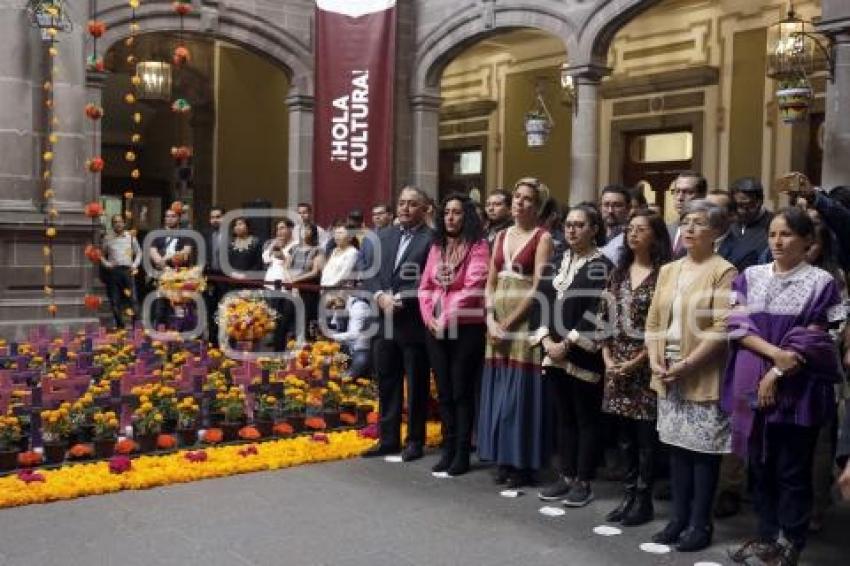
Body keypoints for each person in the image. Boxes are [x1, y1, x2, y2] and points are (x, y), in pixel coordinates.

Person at [725, 208, 844, 566]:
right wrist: (775, 354)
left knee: (792, 470)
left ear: (808, 241)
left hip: (800, 388)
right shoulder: (751, 276)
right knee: (760, 466)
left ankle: (791, 540)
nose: (777, 241)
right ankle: (765, 537)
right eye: (773, 234)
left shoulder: (822, 282)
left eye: (788, 234)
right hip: (754, 381)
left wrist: (775, 373)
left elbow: (820, 340)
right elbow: (736, 326)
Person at [646, 199, 736, 552]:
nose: (689, 229)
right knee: (676, 451)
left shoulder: (723, 270)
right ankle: (678, 519)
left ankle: (701, 523)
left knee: (703, 454)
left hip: (701, 371)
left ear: (716, 231)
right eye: (685, 222)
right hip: (665, 370)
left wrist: (686, 365)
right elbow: (653, 321)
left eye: (699, 223)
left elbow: (721, 326)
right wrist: (655, 360)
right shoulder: (669, 269)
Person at [534, 204, 612, 507]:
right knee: (563, 417)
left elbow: (599, 310)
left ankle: (584, 480)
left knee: (585, 418)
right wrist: (546, 340)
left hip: (581, 353)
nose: (571, 230)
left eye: (579, 225)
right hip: (552, 350)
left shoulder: (603, 265)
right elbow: (541, 300)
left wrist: (567, 342)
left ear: (594, 229)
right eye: (568, 224)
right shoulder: (555, 261)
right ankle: (565, 475)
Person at [478, 178, 553, 488]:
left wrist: (509, 323)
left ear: (537, 206)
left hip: (523, 322)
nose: (519, 203)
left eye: (527, 199)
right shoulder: (500, 236)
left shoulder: (543, 237)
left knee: (520, 392)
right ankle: (502, 456)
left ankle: (523, 462)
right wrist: (491, 318)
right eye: (517, 197)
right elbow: (490, 283)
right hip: (497, 321)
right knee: (499, 388)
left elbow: (538, 287)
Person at [599, 209, 671, 526]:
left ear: (655, 235)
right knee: (623, 436)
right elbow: (603, 320)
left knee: (645, 439)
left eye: (640, 229)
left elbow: (663, 327)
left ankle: (643, 499)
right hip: (616, 360)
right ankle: (627, 495)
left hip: (646, 360)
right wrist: (608, 360)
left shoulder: (664, 274)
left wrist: (635, 361)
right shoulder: (618, 272)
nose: (633, 234)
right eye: (630, 229)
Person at [362, 186, 435, 461]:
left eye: (412, 204)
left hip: (412, 321)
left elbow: (431, 278)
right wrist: (380, 296)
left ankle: (415, 440)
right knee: (387, 381)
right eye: (402, 203)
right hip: (384, 320)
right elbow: (370, 272)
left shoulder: (432, 240)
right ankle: (388, 438)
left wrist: (403, 297)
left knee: (416, 384)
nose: (405, 208)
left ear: (424, 209)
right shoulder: (384, 235)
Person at [419, 193, 489, 476]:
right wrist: (430, 319)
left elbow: (473, 288)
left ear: (467, 216)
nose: (450, 217)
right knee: (444, 393)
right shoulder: (437, 246)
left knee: (461, 392)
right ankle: (447, 449)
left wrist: (445, 318)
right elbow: (425, 286)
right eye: (447, 212)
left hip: (465, 328)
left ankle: (462, 452)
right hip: (435, 327)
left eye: (457, 212)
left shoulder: (479, 245)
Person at [150, 206, 194, 329]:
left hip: (179, 278)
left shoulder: (185, 235)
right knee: (160, 309)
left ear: (179, 218)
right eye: (167, 216)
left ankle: (179, 336)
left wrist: (168, 259)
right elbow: (153, 252)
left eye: (173, 216)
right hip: (163, 276)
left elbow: (185, 252)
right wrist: (165, 267)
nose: (169, 219)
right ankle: (159, 337)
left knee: (178, 309)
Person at [100, 214, 142, 328]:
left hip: (128, 271)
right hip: (114, 272)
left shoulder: (131, 237)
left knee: (133, 300)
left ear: (124, 223)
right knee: (115, 300)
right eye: (115, 222)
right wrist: (107, 264)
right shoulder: (107, 238)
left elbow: (138, 252)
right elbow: (101, 255)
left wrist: (135, 265)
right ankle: (120, 325)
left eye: (120, 221)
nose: (118, 224)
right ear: (112, 224)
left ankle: (136, 327)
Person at [263, 219, 297, 347]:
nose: (279, 231)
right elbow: (266, 259)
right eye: (277, 229)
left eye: (282, 228)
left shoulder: (295, 245)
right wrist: (273, 245)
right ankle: (272, 352)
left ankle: (280, 352)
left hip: (285, 288)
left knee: (282, 323)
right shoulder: (274, 244)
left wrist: (282, 253)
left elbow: (290, 262)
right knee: (271, 321)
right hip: (269, 285)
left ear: (290, 229)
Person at [287, 222, 325, 337]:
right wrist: (290, 280)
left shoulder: (318, 250)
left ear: (313, 233)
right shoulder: (293, 248)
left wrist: (296, 280)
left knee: (305, 320)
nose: (305, 232)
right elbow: (286, 266)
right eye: (303, 230)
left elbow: (315, 272)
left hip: (308, 289)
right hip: (291, 287)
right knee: (289, 319)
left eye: (308, 230)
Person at [727, 177, 772, 272]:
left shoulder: (773, 224)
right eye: (737, 205)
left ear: (760, 201)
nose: (741, 211)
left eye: (747, 206)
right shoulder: (729, 223)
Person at [326, 291, 373, 378]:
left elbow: (354, 334)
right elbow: (335, 326)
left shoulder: (359, 307)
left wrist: (331, 336)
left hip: (361, 352)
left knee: (345, 379)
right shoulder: (345, 305)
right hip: (351, 350)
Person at [668, 172, 708, 258]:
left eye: (688, 192)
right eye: (676, 191)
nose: (680, 198)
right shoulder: (667, 230)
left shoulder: (709, 231)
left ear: (702, 195)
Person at [203, 206, 226, 344]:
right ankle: (212, 343)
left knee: (224, 312)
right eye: (212, 217)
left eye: (218, 217)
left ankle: (226, 343)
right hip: (210, 278)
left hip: (226, 279)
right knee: (211, 311)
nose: (215, 220)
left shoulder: (231, 236)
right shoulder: (206, 235)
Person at [320, 221, 359, 289]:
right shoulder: (334, 251)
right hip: (327, 289)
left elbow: (344, 274)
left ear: (350, 237)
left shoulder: (352, 252)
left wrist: (329, 286)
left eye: (340, 233)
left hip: (342, 292)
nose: (337, 236)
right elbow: (326, 271)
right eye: (335, 233)